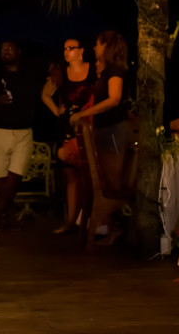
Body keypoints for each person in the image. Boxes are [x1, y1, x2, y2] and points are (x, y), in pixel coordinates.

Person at [69, 30, 131, 244]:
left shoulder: (115, 71)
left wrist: (84, 114)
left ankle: (118, 229)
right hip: (106, 130)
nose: (94, 48)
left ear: (106, 46)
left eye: (96, 44)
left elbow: (114, 99)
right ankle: (113, 229)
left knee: (114, 182)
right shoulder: (106, 71)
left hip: (114, 129)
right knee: (108, 180)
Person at [0, 40, 41, 231]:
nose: (5, 51)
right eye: (2, 49)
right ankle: (8, 209)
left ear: (19, 52)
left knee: (16, 174)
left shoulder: (30, 74)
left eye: (9, 48)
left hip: (24, 130)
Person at [41, 38, 96, 234]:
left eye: (71, 48)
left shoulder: (93, 69)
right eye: (64, 48)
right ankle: (70, 221)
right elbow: (45, 94)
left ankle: (88, 219)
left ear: (81, 51)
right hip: (67, 125)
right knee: (70, 175)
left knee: (87, 172)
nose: (67, 52)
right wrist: (57, 111)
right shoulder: (61, 73)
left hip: (89, 124)